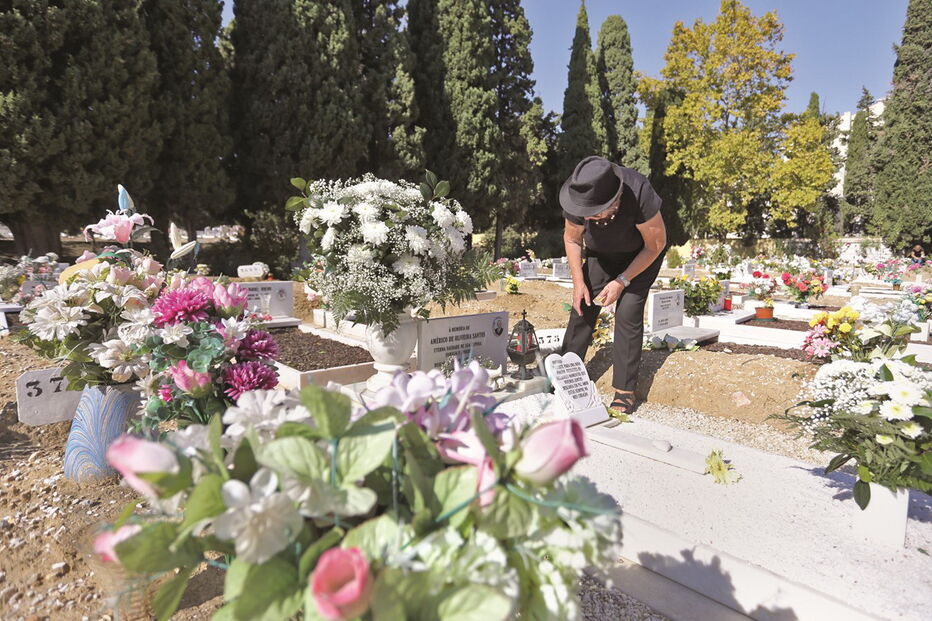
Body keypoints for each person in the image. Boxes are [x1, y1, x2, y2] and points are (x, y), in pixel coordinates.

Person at [558, 156, 667, 415]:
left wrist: (622, 281)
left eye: (596, 213)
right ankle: (565, 376)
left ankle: (625, 391)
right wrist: (578, 282)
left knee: (628, 311)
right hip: (601, 254)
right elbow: (572, 239)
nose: (590, 219)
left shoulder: (639, 192)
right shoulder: (579, 193)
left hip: (642, 254)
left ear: (615, 199)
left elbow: (656, 244)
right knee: (582, 304)